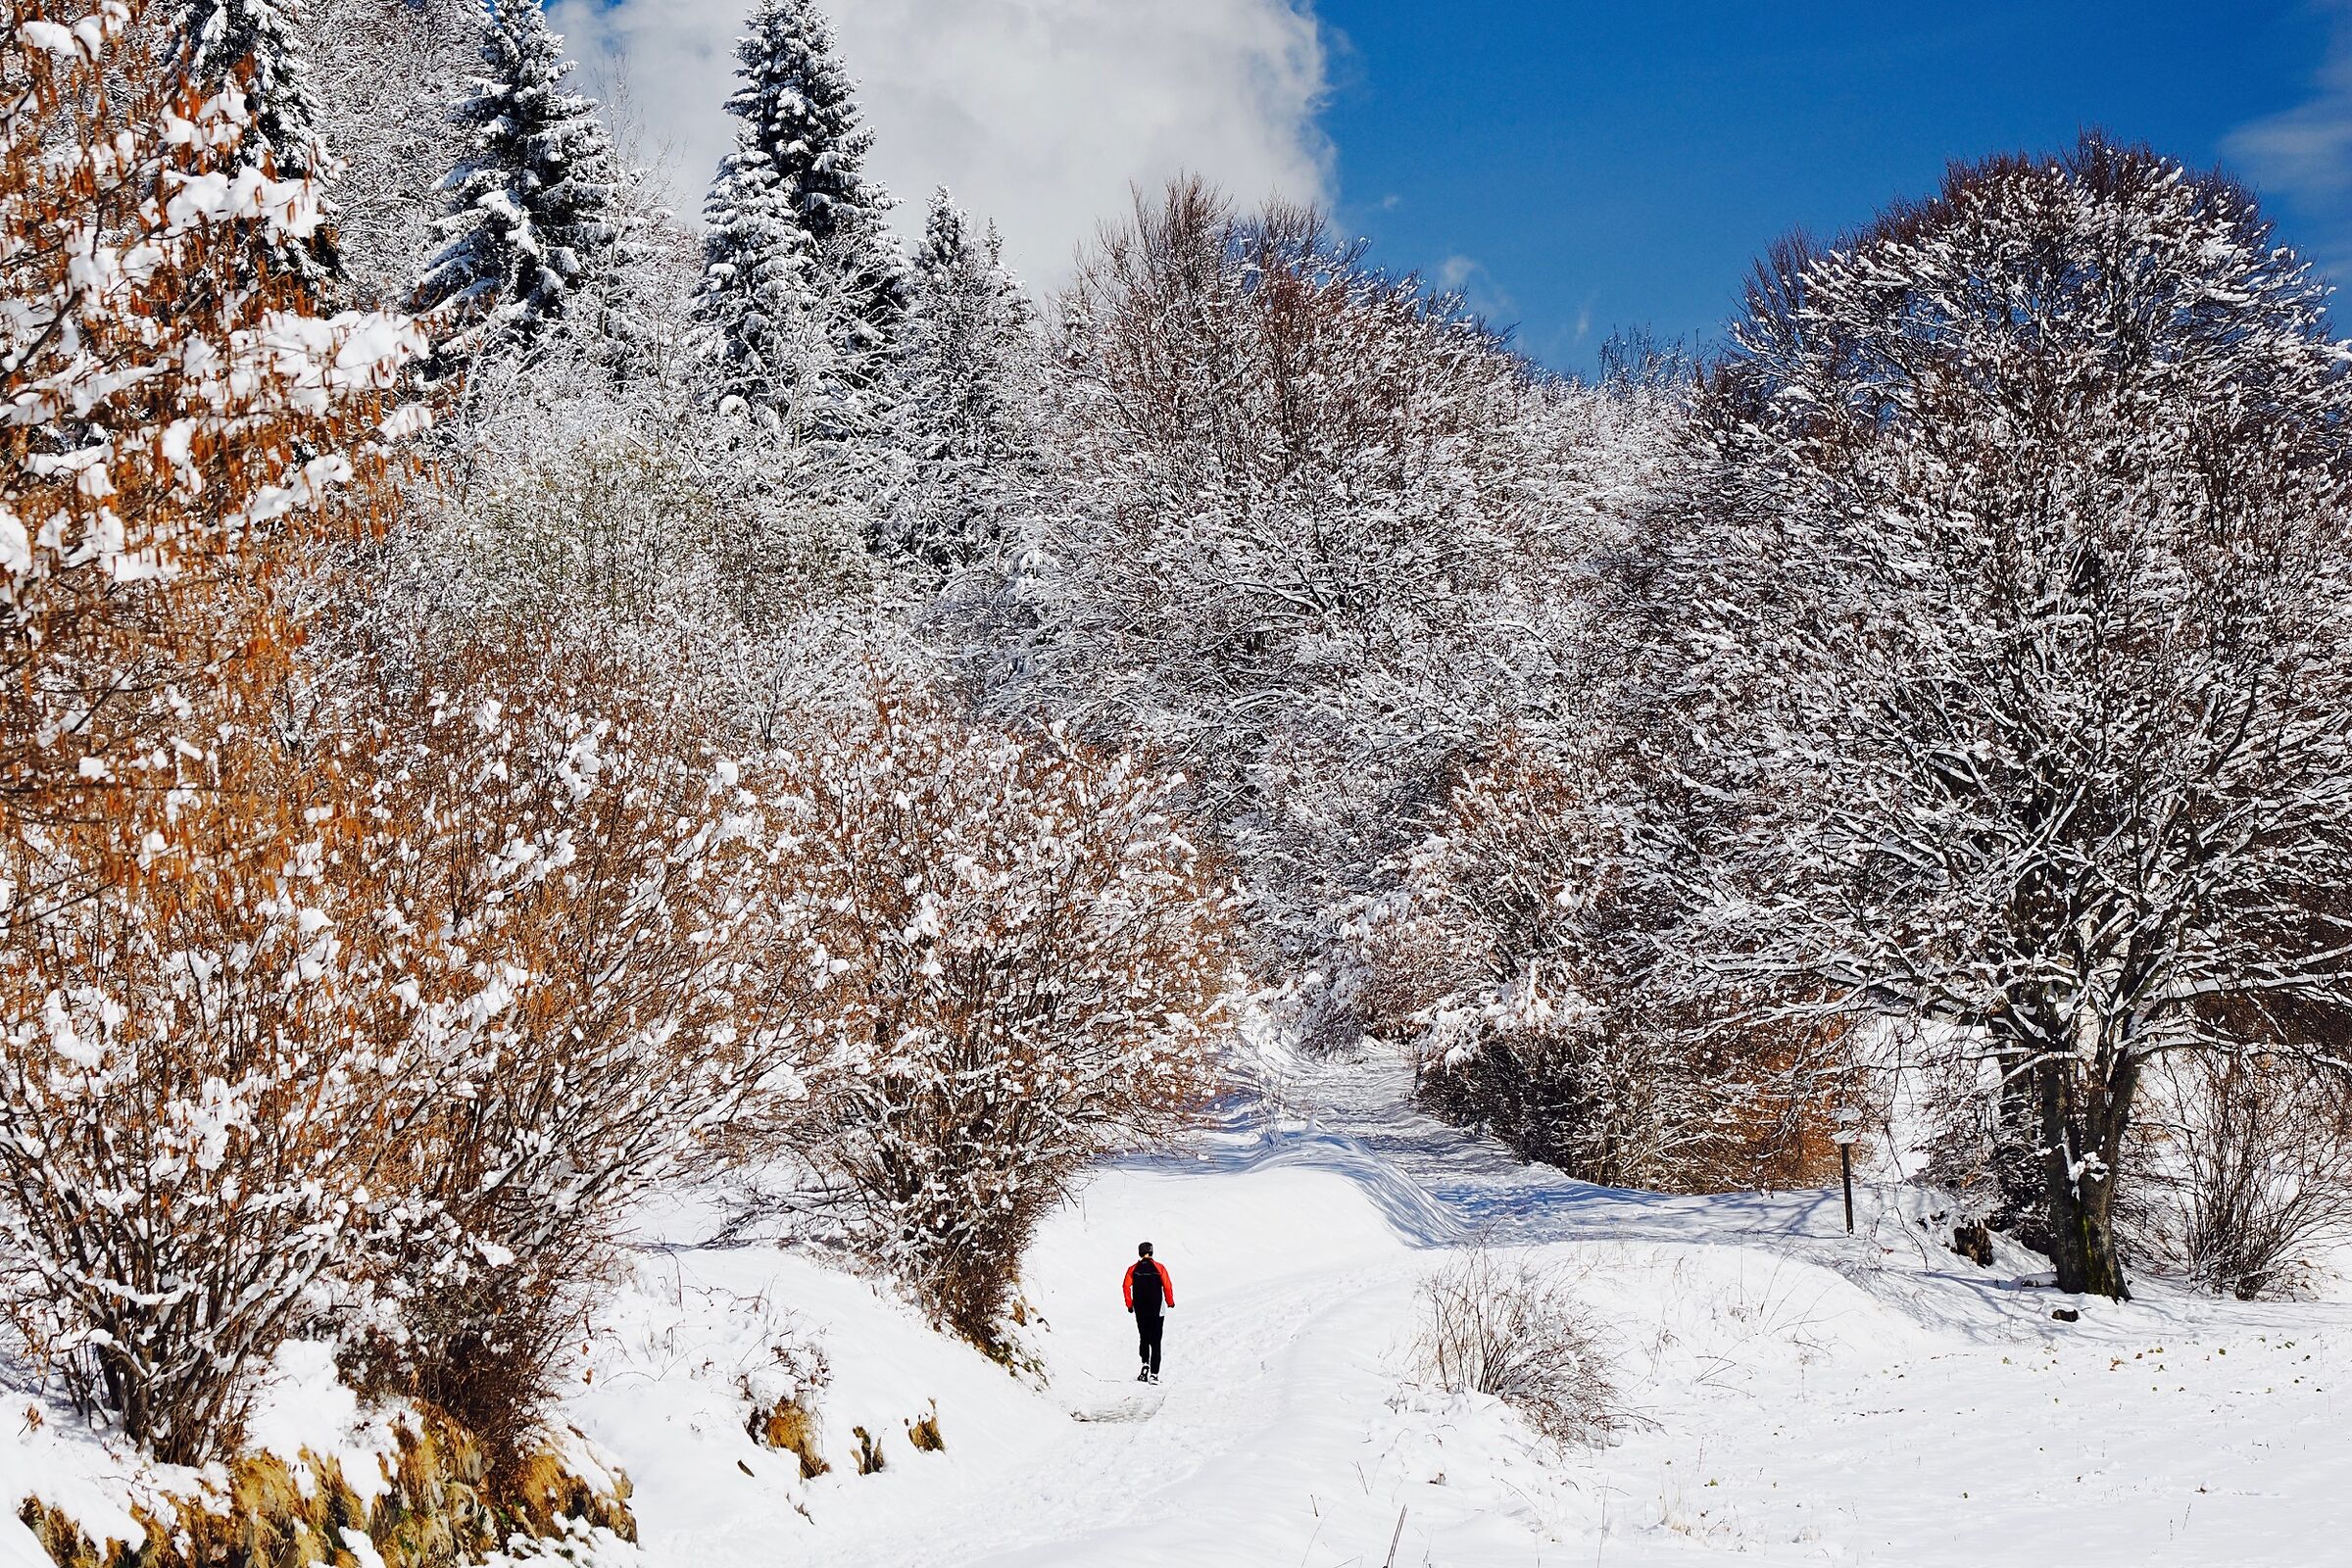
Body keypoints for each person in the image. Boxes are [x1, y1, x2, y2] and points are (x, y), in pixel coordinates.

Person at [1122, 1242, 1174, 1383]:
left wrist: (1129, 1304)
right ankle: (1154, 1374)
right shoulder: (1160, 1268)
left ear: (1140, 1253)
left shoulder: (1132, 1269)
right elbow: (1167, 1286)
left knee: (1144, 1337)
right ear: (1151, 1252)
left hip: (1140, 1309)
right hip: (1157, 1309)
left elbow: (1126, 1287)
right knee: (1156, 1340)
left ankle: (1145, 1365)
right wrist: (1170, 1302)